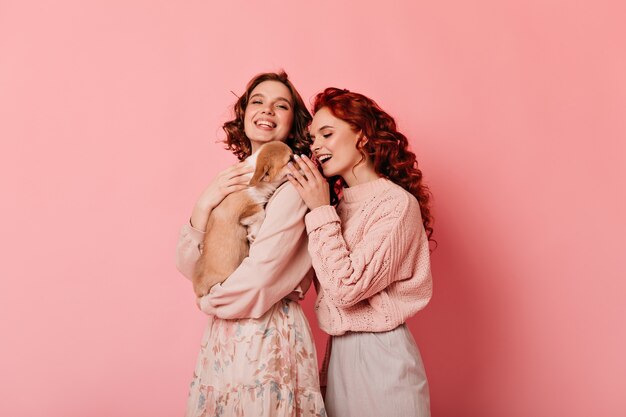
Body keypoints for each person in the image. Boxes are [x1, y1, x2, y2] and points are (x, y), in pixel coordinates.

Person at [175, 72, 326, 417]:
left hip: (268, 330)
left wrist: (210, 300)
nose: (267, 110)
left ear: (295, 122)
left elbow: (263, 276)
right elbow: (191, 266)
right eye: (257, 101)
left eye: (281, 105)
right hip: (225, 336)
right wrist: (203, 204)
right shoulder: (231, 179)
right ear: (243, 113)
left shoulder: (297, 181)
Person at [287, 87, 434, 417]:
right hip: (338, 354)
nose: (317, 147)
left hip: (382, 355)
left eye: (327, 133)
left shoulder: (396, 205)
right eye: (313, 139)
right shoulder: (334, 208)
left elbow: (345, 289)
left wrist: (320, 209)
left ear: (363, 136)